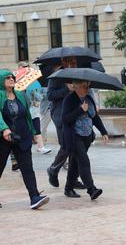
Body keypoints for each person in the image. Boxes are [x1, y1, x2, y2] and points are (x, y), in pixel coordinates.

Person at [0, 69, 49, 209]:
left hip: (22, 137)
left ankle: (34, 197)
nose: (11, 79)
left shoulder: (20, 95)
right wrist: (4, 128)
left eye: (12, 77)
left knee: (27, 168)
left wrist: (33, 131)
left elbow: (28, 114)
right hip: (3, 138)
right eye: (7, 77)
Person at [61, 80, 108, 199]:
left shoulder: (89, 98)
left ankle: (68, 188)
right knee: (83, 161)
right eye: (84, 87)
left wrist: (103, 131)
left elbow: (95, 117)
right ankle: (91, 189)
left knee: (75, 163)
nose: (86, 89)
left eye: (88, 86)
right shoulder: (69, 99)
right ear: (76, 87)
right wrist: (80, 110)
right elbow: (65, 118)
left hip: (87, 135)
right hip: (74, 136)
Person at [47, 58, 84, 188]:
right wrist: (67, 89)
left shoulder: (79, 75)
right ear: (64, 63)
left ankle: (73, 179)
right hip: (60, 115)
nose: (74, 65)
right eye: (71, 62)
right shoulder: (56, 77)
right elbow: (50, 95)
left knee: (77, 146)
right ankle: (53, 169)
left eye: (75, 62)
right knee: (67, 145)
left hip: (76, 114)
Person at [26, 81, 52, 154]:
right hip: (25, 113)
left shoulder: (35, 85)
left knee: (37, 129)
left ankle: (41, 147)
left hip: (34, 112)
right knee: (27, 131)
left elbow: (40, 98)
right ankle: (27, 148)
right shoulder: (19, 90)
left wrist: (35, 95)